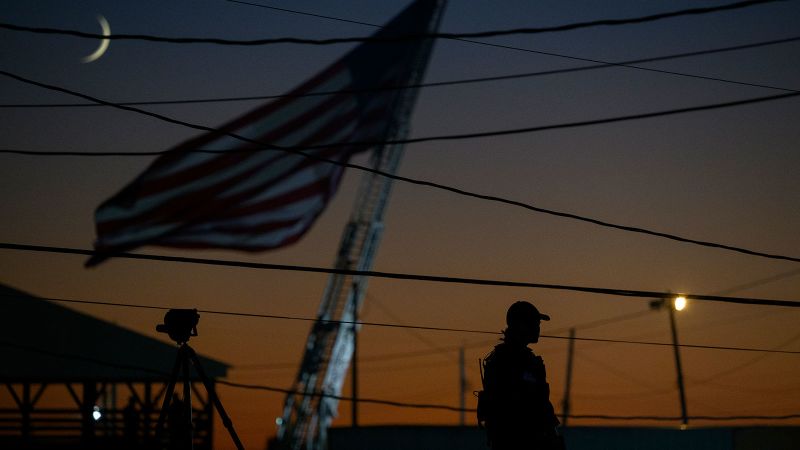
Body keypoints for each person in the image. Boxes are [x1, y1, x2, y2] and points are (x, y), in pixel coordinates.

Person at [479, 301, 564, 450]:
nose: (538, 328)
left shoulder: (515, 358)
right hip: (520, 440)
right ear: (521, 326)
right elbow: (533, 404)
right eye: (535, 323)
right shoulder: (510, 359)